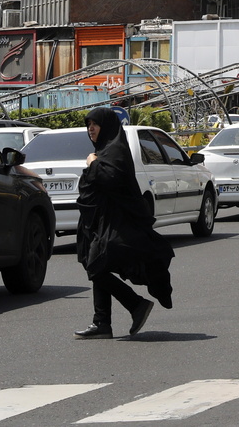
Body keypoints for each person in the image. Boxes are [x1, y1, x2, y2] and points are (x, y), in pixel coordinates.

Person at [74, 107, 174, 340]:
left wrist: (92, 164)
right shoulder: (103, 151)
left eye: (95, 124)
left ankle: (136, 304)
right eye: (88, 125)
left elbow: (109, 179)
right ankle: (102, 324)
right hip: (99, 221)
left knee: (96, 266)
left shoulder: (115, 150)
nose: (90, 129)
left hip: (116, 222)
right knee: (95, 263)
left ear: (106, 126)